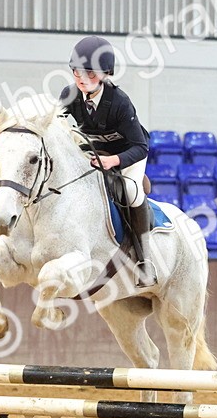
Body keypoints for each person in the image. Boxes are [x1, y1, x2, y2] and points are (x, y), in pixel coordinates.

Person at [60, 35, 154, 287]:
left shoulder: (120, 103)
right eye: (77, 71)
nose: (81, 78)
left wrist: (113, 160)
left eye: (89, 74)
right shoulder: (69, 94)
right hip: (94, 152)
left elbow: (141, 147)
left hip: (127, 154)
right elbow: (54, 122)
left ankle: (145, 259)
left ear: (104, 75)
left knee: (132, 193)